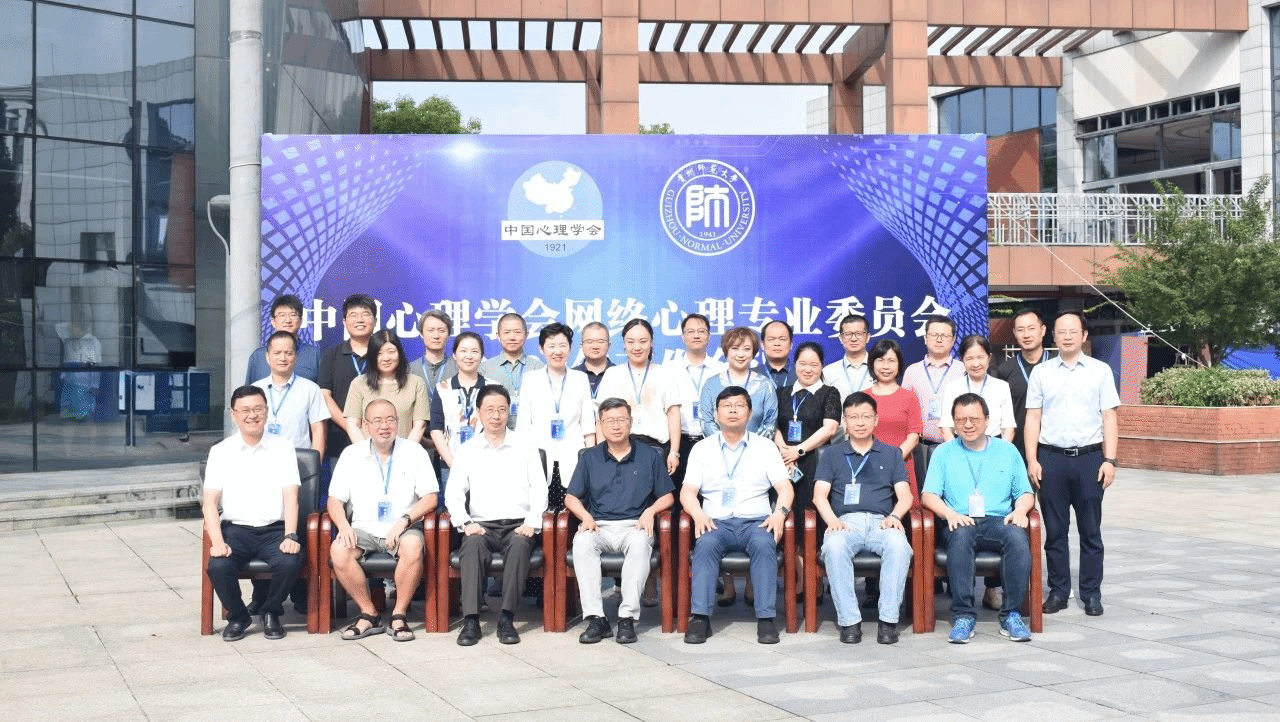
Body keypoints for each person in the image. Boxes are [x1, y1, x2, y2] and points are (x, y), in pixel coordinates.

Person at [1025, 310, 1120, 618]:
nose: (1066, 337)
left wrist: (1110, 459)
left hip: (1090, 460)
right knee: (1055, 532)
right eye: (1061, 332)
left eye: (1072, 331)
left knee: (1091, 531)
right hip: (1051, 459)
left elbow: (1109, 417)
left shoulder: (1100, 371)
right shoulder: (1041, 373)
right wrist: (1032, 459)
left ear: (1084, 335)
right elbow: (1033, 418)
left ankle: (1091, 594)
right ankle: (1058, 591)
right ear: (1053, 335)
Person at [681, 386, 793, 645]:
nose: (733, 410)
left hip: (756, 522)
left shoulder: (765, 447)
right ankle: (700, 617)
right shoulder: (702, 449)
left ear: (750, 413)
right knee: (705, 545)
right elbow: (688, 491)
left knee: (764, 543)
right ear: (716, 414)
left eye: (740, 405)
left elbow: (785, 488)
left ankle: (766, 618)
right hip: (715, 523)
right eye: (727, 406)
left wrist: (780, 513)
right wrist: (697, 514)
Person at [921, 393, 1035, 644]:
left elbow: (1025, 493)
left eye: (974, 419)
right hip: (958, 519)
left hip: (998, 520)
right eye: (961, 420)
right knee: (961, 537)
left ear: (987, 420)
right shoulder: (943, 452)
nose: (968, 425)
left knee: (1017, 538)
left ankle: (1011, 615)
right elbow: (928, 495)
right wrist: (949, 514)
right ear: (953, 423)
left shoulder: (1007, 451)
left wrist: (1019, 511)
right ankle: (963, 616)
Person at [326, 399, 438, 642]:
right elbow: (334, 500)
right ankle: (369, 613)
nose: (384, 426)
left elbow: (430, 498)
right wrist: (343, 526)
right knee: (339, 549)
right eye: (377, 420)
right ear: (365, 425)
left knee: (413, 545)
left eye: (390, 419)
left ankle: (399, 614)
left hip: (404, 527)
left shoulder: (414, 452)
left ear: (398, 422)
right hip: (363, 528)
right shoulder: (351, 454)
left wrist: (404, 521)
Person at [565, 398, 676, 644]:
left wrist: (651, 511)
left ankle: (627, 618)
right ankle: (596, 618)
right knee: (582, 543)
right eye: (610, 421)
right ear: (600, 424)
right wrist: (585, 516)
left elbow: (667, 496)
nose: (616, 426)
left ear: (631, 422)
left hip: (636, 525)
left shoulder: (649, 455)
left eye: (621, 420)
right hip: (599, 526)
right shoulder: (589, 457)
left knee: (640, 544)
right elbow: (571, 497)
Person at [446, 385, 548, 646]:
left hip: (518, 525)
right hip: (481, 526)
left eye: (502, 410)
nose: (496, 415)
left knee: (520, 546)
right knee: (472, 546)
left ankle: (506, 618)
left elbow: (540, 488)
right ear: (479, 412)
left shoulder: (525, 446)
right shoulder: (468, 449)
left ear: (508, 412)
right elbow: (453, 493)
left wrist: (532, 522)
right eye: (490, 409)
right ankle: (471, 620)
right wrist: (465, 523)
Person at [202, 386, 305, 642]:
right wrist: (217, 542)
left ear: (266, 412)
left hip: (274, 530)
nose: (252, 415)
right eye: (245, 410)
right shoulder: (221, 451)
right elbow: (209, 503)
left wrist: (290, 535)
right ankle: (238, 616)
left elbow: (291, 496)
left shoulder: (283, 447)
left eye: (258, 409)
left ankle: (271, 611)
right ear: (233, 414)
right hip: (236, 530)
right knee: (218, 565)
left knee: (290, 561)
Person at [814, 392, 913, 645]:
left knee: (899, 545)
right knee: (834, 546)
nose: (860, 422)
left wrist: (895, 515)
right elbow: (819, 496)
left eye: (866, 416)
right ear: (845, 421)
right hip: (846, 522)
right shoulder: (831, 454)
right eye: (854, 417)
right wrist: (832, 521)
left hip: (882, 522)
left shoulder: (891, 453)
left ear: (876, 419)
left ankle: (888, 621)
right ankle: (849, 621)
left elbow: (905, 496)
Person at [595, 318, 681, 475]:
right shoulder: (612, 374)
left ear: (651, 343)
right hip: (618, 450)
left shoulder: (665, 374)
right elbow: (601, 417)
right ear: (624, 344)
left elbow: (674, 414)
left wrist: (674, 452)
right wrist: (601, 454)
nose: (637, 347)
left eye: (643, 341)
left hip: (656, 450)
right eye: (630, 342)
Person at [516, 322, 596, 491]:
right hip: (538, 456)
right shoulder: (531, 379)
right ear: (541, 349)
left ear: (570, 348)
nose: (558, 351)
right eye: (551, 346)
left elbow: (588, 425)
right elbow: (523, 426)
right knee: (540, 504)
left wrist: (591, 461)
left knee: (572, 504)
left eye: (562, 345)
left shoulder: (580, 379)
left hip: (573, 456)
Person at [773, 341, 840, 516]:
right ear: (795, 364)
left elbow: (830, 429)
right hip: (784, 461)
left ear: (822, 366)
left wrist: (799, 450)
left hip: (816, 461)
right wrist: (785, 453)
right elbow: (773, 426)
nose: (807, 369)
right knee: (783, 509)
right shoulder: (781, 393)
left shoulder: (830, 393)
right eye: (802, 364)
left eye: (814, 365)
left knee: (812, 513)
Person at [318, 294, 378, 473]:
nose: (359, 320)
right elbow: (325, 396)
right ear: (344, 321)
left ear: (375, 320)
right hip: (340, 440)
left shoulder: (384, 353)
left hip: (380, 437)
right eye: (353, 315)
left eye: (365, 314)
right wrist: (350, 427)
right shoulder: (332, 354)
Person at [343, 330, 430, 444]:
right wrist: (366, 452)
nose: (386, 358)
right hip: (368, 452)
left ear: (399, 353)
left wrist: (405, 452)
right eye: (379, 353)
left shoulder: (416, 383)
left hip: (405, 451)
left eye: (391, 352)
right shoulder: (359, 384)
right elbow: (352, 425)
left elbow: (420, 425)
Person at [251, 331, 328, 455]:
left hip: (298, 460)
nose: (283, 358)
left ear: (296, 356)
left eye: (288, 353)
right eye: (277, 353)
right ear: (267, 357)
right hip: (261, 458)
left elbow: (318, 430)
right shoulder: (255, 389)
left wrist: (314, 463)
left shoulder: (311, 389)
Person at [669, 313, 725, 484]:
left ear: (709, 336)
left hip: (712, 440)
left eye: (701, 331)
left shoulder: (721, 369)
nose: (696, 335)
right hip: (681, 442)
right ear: (682, 336)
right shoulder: (670, 369)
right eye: (690, 331)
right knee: (680, 491)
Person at [991, 308, 1053, 458]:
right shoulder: (1005, 370)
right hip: (1016, 450)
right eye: (1020, 330)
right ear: (1014, 333)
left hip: (1052, 450)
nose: (1026, 335)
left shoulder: (1057, 366)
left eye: (1031, 328)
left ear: (1043, 330)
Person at [429, 332, 487, 490]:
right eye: (463, 351)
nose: (469, 356)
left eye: (474, 351)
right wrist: (452, 463)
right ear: (454, 355)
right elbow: (436, 429)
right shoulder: (442, 388)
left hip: (486, 464)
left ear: (482, 356)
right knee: (454, 505)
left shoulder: (492, 387)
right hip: (450, 465)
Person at [866, 340, 923, 497]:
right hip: (868, 466)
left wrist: (891, 461)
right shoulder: (863, 398)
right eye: (880, 360)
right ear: (872, 363)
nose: (886, 366)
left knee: (905, 509)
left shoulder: (909, 397)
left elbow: (914, 437)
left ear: (899, 364)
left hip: (901, 465)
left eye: (891, 361)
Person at [699, 326, 778, 439]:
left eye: (746, 349)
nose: (740, 354)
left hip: (756, 448)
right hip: (718, 448)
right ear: (726, 351)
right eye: (735, 348)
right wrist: (725, 444)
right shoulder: (711, 384)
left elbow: (770, 423)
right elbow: (706, 422)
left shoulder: (765, 385)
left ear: (753, 353)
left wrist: (750, 445)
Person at [902, 314, 966, 446]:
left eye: (945, 336)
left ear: (953, 340)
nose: (939, 340)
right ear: (925, 338)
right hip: (919, 445)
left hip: (956, 443)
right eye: (934, 335)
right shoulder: (912, 371)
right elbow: (904, 409)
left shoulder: (963, 370)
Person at [939, 335, 1016, 443]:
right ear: (962, 360)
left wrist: (1001, 451)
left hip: (994, 446)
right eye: (969, 359)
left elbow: (1008, 427)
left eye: (980, 357)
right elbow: (946, 427)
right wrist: (955, 451)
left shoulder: (1001, 387)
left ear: (989, 357)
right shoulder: (953, 387)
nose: (975, 364)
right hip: (960, 446)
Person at [479, 312, 544, 429]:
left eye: (517, 332)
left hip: (531, 432)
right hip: (496, 432)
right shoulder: (485, 368)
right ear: (498, 336)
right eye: (507, 332)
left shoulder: (538, 367)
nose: (512, 337)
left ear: (526, 335)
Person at [245, 294, 320, 384]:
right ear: (273, 321)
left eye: (293, 315)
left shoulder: (314, 354)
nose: (288, 320)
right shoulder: (258, 356)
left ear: (301, 321)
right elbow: (249, 391)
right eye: (282, 315)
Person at [55, 319, 102, 420]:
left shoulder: (92, 341)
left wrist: (94, 385)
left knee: (83, 415)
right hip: (69, 382)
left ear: (80, 327)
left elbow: (95, 365)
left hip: (84, 385)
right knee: (67, 414)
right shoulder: (69, 341)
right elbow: (58, 327)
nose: (71, 331)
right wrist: (63, 376)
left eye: (73, 328)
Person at [824, 314, 874, 404]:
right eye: (848, 334)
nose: (853, 339)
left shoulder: (879, 368)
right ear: (841, 338)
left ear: (868, 337)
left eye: (859, 334)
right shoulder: (828, 372)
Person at [410, 309, 457, 394]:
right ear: (421, 333)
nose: (436, 336)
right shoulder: (409, 370)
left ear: (449, 334)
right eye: (431, 331)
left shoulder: (458, 369)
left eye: (441, 331)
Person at [574, 321, 614, 399]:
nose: (595, 346)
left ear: (609, 345)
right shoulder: (572, 375)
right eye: (589, 342)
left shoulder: (619, 374)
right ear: (581, 345)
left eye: (601, 341)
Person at [760, 320, 797, 390]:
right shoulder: (752, 374)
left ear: (791, 344)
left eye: (782, 339)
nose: (777, 344)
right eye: (771, 339)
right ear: (762, 345)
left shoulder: (802, 373)